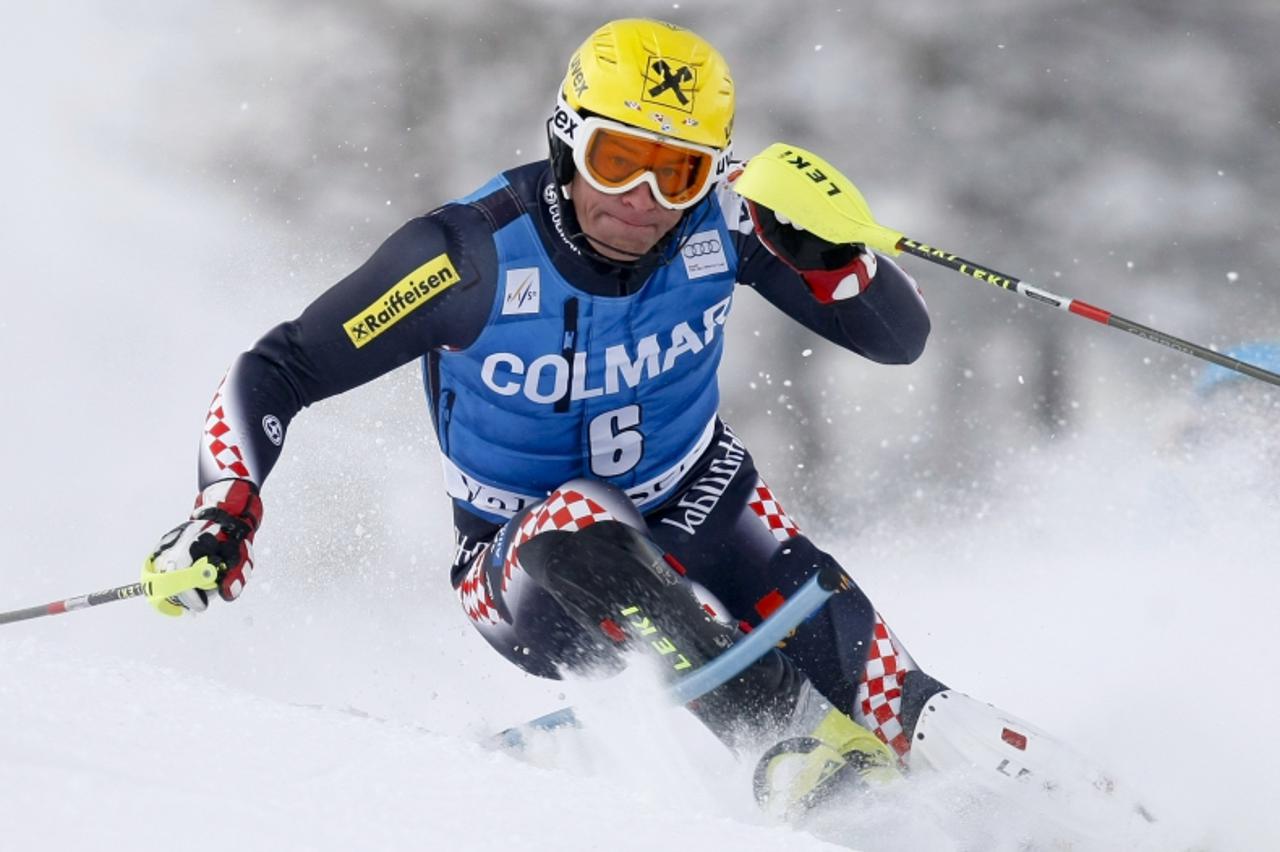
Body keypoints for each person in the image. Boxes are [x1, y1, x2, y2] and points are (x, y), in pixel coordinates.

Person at [144, 18, 1149, 825]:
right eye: (618, 157)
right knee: (575, 518)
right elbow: (279, 367)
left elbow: (897, 343)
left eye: (675, 172)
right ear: (565, 137)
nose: (641, 199)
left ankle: (1090, 815)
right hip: (523, 567)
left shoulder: (726, 219)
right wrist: (223, 503)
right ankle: (779, 743)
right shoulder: (466, 257)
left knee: (904, 706)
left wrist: (833, 258)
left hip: (703, 507)